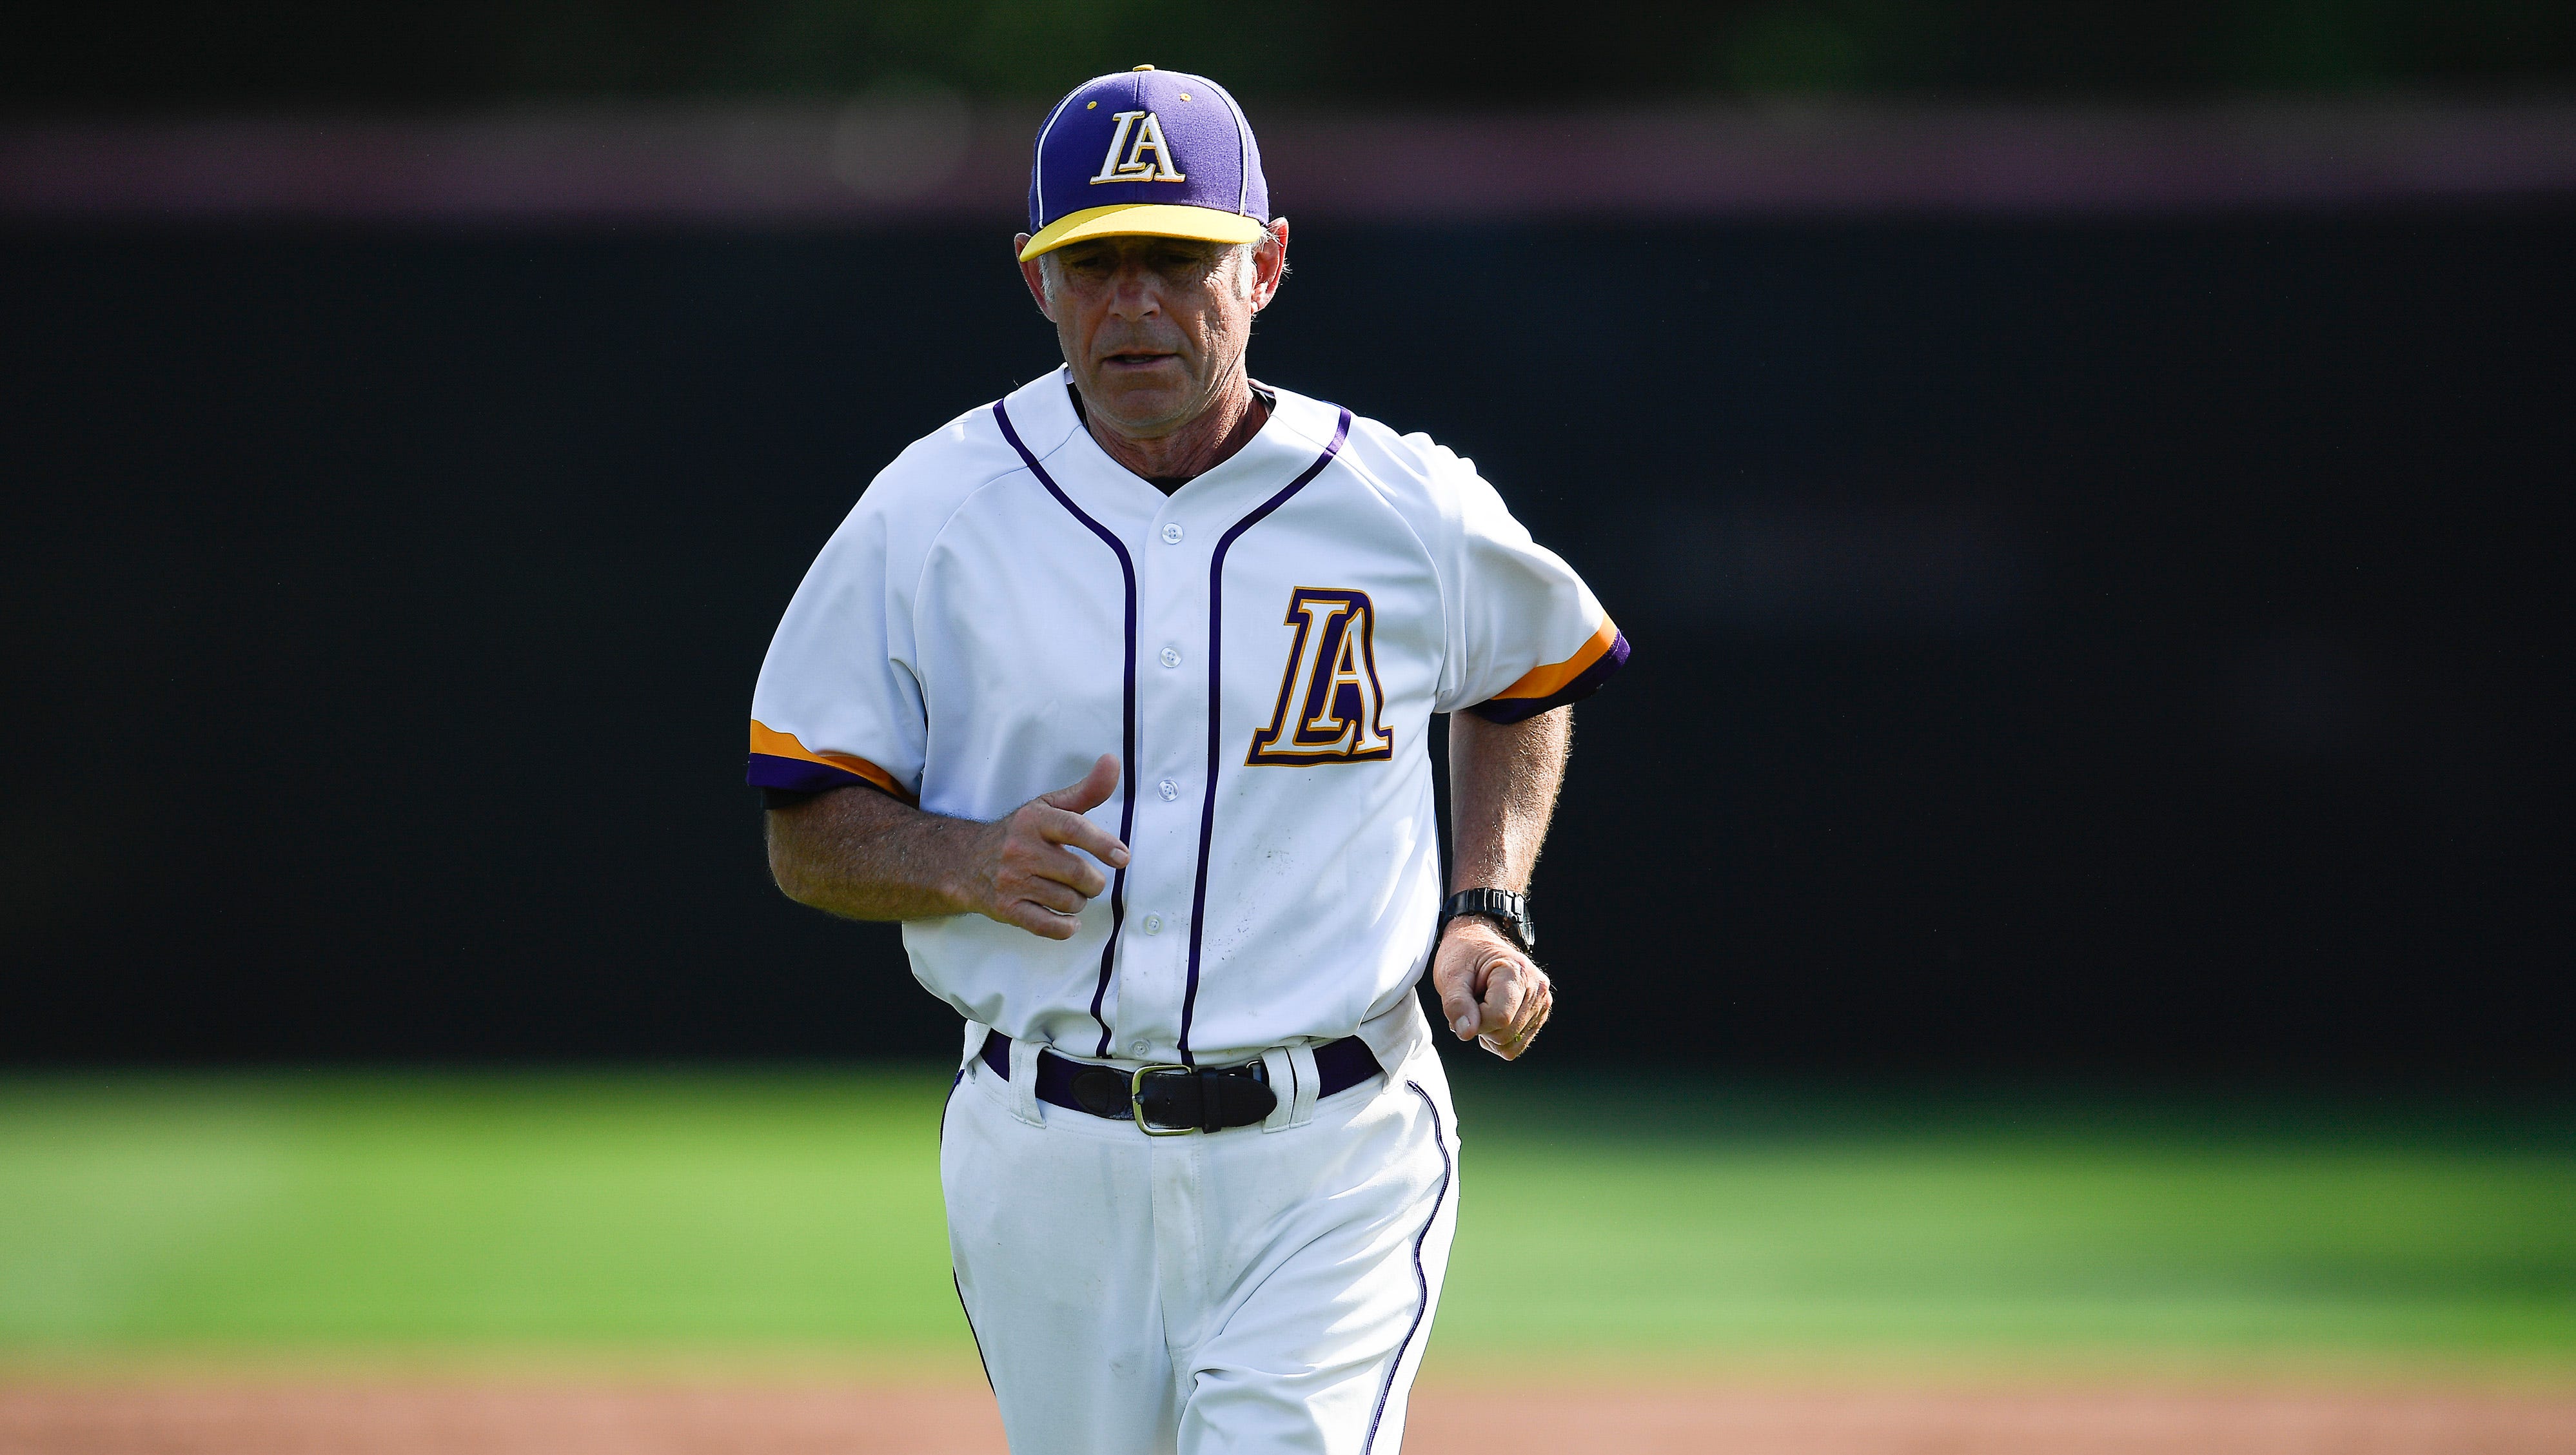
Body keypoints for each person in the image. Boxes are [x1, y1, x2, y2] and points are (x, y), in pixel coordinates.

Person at [747, 64, 1626, 1455]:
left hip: (1334, 1147)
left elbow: (1534, 669)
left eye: (1178, 258)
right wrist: (964, 859)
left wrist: (1486, 899)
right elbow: (805, 830)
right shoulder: (931, 512)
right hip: (1046, 1153)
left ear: (1266, 264)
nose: (1133, 304)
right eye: (1093, 264)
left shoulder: (1400, 502)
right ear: (1037, 282)